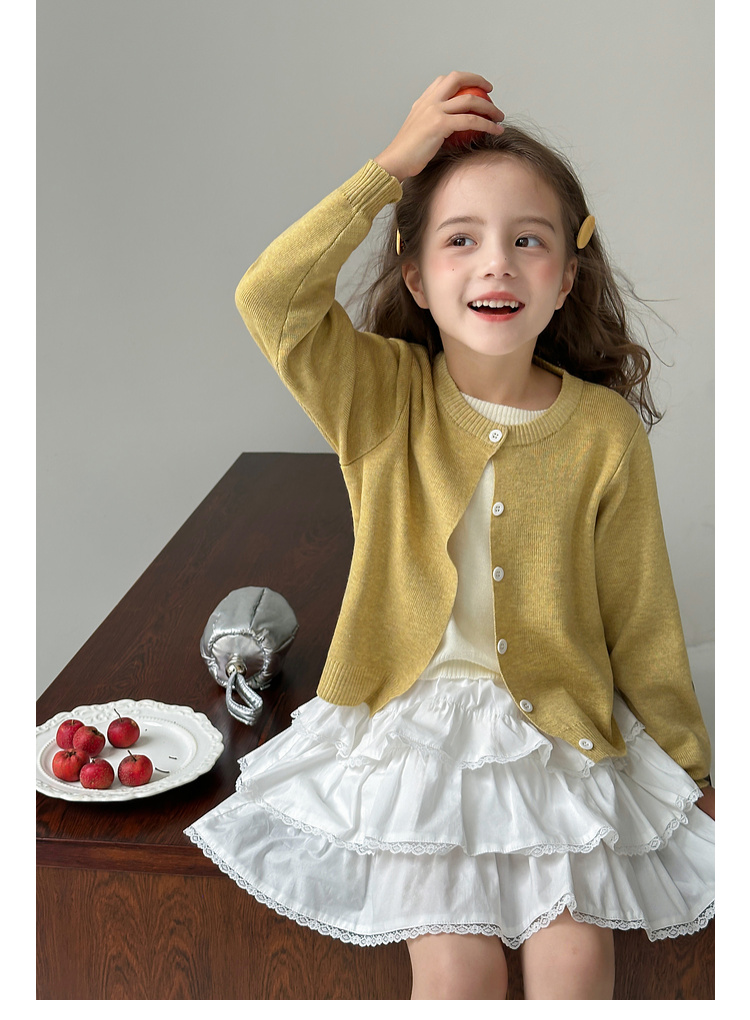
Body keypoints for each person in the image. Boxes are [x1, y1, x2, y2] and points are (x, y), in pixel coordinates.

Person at [185, 71, 715, 1000]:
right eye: (461, 240)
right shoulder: (381, 399)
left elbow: (640, 613)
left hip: (557, 736)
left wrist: (690, 768)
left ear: (567, 277)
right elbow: (270, 298)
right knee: (457, 975)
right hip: (415, 736)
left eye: (528, 241)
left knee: (576, 964)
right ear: (417, 278)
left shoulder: (604, 433)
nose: (496, 264)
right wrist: (388, 171)